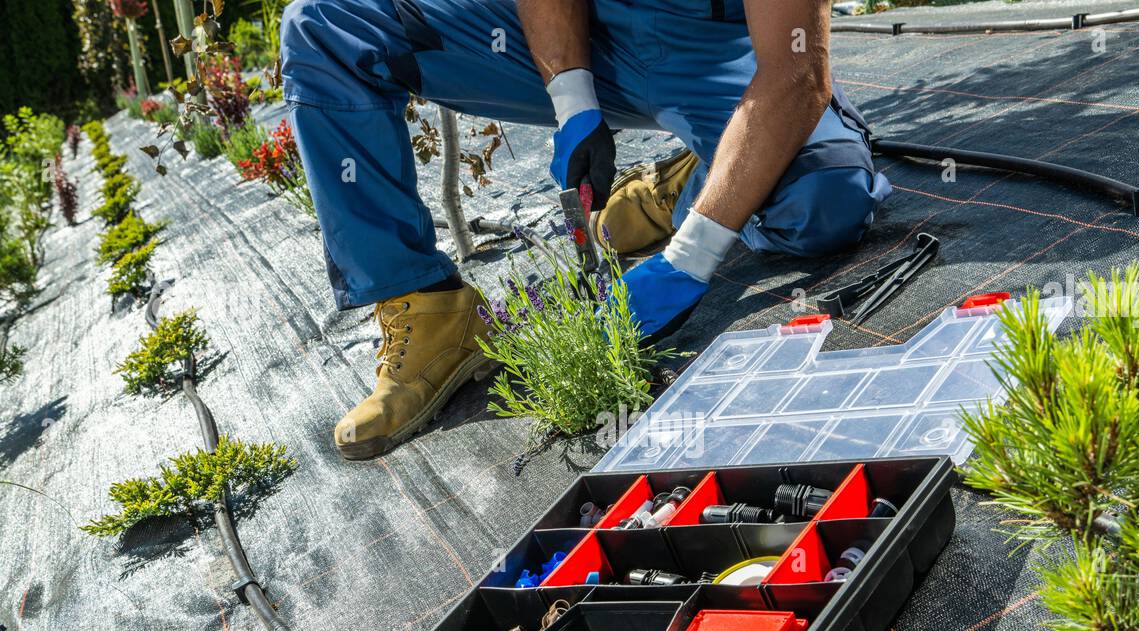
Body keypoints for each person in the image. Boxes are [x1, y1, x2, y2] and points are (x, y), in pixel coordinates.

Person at [280, 0, 891, 460]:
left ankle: (705, 186)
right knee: (326, 27)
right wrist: (573, 100)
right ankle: (426, 305)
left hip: (716, 53)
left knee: (825, 198)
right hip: (578, 31)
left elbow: (794, 72)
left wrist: (692, 256)